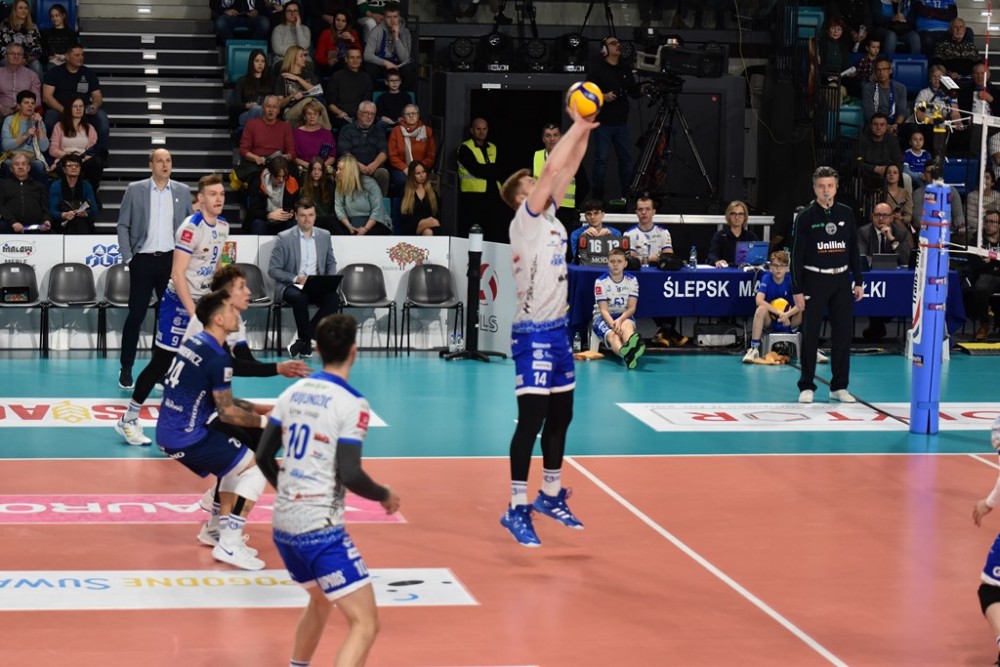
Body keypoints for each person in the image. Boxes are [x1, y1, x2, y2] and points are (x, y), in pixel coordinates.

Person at [257, 313, 401, 667]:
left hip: (283, 525)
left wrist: (286, 492)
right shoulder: (352, 403)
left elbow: (262, 456)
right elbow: (350, 473)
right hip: (319, 530)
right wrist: (384, 495)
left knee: (320, 600)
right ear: (354, 351)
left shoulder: (292, 392)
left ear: (318, 350)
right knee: (365, 624)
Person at [496, 106, 597, 547]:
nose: (539, 185)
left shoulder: (552, 219)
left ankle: (550, 495)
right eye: (530, 185)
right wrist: (576, 124)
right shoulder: (525, 222)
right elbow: (554, 167)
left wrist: (587, 131)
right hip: (532, 333)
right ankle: (516, 507)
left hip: (557, 331)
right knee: (531, 420)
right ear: (521, 198)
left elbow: (566, 169)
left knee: (562, 416)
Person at [184, 264, 311, 548]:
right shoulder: (206, 322)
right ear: (225, 294)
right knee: (255, 450)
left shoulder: (235, 320)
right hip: (199, 413)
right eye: (242, 286)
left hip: (213, 403)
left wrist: (278, 370)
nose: (249, 291)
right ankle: (223, 521)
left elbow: (245, 362)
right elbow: (231, 364)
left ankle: (216, 517)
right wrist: (277, 370)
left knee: (255, 445)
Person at [155, 289, 269, 571]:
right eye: (231, 309)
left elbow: (215, 398)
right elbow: (227, 411)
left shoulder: (195, 343)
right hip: (189, 436)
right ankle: (230, 543)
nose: (237, 313)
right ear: (218, 319)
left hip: (172, 430)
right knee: (256, 469)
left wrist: (257, 408)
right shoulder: (218, 358)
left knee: (234, 466)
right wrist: (268, 423)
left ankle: (216, 530)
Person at [115, 174, 227, 445]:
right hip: (179, 303)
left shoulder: (223, 226)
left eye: (222, 194)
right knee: (161, 363)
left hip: (204, 302)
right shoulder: (190, 228)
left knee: (208, 361)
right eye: (213, 194)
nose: (219, 198)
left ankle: (201, 419)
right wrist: (194, 313)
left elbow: (216, 265)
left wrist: (224, 294)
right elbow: (177, 274)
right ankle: (128, 418)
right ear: (200, 199)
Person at [115, 149, 192, 391]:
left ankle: (161, 370)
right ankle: (126, 367)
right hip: (142, 261)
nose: (165, 164)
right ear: (151, 164)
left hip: (171, 262)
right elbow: (122, 225)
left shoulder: (182, 191)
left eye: (168, 160)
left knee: (166, 319)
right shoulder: (135, 189)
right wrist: (129, 258)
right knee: (136, 315)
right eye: (160, 161)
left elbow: (190, 227)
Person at [790, 166, 864, 404]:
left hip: (841, 279)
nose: (826, 190)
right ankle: (806, 385)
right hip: (814, 279)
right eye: (821, 186)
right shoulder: (805, 217)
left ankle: (839, 386)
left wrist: (859, 280)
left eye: (830, 185)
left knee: (843, 334)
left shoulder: (846, 213)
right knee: (810, 334)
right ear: (814, 188)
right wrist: (797, 289)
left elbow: (853, 249)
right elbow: (796, 255)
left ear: (836, 187)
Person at [268, 198, 340, 359]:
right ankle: (306, 342)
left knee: (333, 298)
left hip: (316, 284)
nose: (307, 219)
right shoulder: (284, 237)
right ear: (296, 216)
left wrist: (329, 280)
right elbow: (273, 270)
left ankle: (304, 341)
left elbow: (331, 262)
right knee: (300, 297)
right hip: (291, 286)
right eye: (303, 215)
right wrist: (296, 278)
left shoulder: (324, 235)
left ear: (315, 216)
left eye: (310, 215)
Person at [624, 196, 686, 347]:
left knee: (672, 292)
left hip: (661, 277)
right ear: (636, 212)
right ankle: (670, 333)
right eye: (640, 209)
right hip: (638, 278)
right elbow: (630, 260)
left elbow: (669, 256)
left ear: (653, 212)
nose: (644, 212)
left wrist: (643, 258)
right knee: (648, 292)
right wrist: (655, 257)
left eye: (647, 209)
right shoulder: (629, 234)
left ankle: (665, 332)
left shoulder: (663, 232)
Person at [586, 35, 637, 204]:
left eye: (618, 43)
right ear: (605, 49)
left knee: (626, 161)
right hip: (603, 123)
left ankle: (627, 197)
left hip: (621, 122)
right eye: (613, 43)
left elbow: (633, 92)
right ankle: (597, 198)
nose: (618, 45)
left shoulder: (625, 69)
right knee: (601, 161)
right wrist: (603, 96)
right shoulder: (597, 70)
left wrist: (644, 88)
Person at [41, 44, 108, 155]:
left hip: (83, 110)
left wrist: (94, 106)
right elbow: (46, 97)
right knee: (50, 117)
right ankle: (49, 155)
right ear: (67, 57)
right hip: (61, 110)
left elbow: (97, 96)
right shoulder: (54, 72)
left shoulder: (88, 73)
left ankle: (100, 155)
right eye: (77, 55)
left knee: (101, 116)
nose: (81, 58)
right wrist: (65, 111)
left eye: (82, 55)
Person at [743, 249, 807, 363]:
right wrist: (780, 313)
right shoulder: (766, 278)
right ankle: (754, 349)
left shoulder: (791, 280)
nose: (778, 269)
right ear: (770, 267)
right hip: (771, 321)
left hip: (790, 321)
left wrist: (787, 315)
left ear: (787, 268)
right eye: (775, 265)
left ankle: (811, 348)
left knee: (806, 307)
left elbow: (800, 304)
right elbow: (759, 300)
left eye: (782, 266)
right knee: (760, 309)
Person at [593, 247, 645, 369]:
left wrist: (620, 320)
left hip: (623, 315)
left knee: (627, 327)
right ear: (608, 263)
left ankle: (630, 349)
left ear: (625, 264)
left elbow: (632, 308)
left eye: (619, 261)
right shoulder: (600, 281)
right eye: (612, 261)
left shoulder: (632, 280)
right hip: (603, 318)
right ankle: (626, 355)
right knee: (614, 335)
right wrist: (613, 324)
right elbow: (603, 310)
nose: (615, 264)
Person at [532, 123, 589, 231]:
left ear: (561, 137)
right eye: (548, 135)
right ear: (543, 139)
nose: (552, 139)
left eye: (555, 135)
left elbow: (584, 185)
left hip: (565, 211)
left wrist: (575, 206)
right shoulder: (536, 156)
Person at [457, 117, 506, 241]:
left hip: (494, 194)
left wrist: (488, 169)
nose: (482, 132)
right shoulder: (465, 148)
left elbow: (501, 169)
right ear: (472, 130)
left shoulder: (493, 147)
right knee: (472, 231)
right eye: (478, 129)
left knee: (494, 231)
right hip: (473, 196)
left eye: (484, 129)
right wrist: (491, 169)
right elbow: (477, 169)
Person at [337, 99, 389, 196]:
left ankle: (380, 203)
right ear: (359, 114)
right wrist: (358, 166)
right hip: (353, 166)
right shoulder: (347, 130)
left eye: (372, 114)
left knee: (383, 173)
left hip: (374, 168)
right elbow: (344, 152)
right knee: (345, 170)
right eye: (366, 113)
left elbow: (384, 152)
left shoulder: (378, 131)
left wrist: (374, 165)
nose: (369, 117)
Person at [333, 153, 391, 235]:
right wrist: (349, 226)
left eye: (340, 169)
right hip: (352, 223)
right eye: (337, 169)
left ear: (349, 170)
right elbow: (339, 210)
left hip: (374, 223)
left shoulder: (369, 184)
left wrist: (365, 229)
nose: (337, 172)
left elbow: (377, 210)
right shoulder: (340, 186)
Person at [362, 2, 415, 91]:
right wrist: (386, 63)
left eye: (395, 17)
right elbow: (367, 55)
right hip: (382, 65)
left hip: (398, 65)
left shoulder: (405, 32)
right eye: (389, 17)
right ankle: (374, 97)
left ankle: (403, 97)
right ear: (384, 18)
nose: (392, 20)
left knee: (409, 69)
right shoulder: (376, 31)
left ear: (399, 17)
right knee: (369, 68)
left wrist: (396, 38)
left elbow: (404, 59)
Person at [275, 45, 327, 130]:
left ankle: (325, 133)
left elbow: (317, 91)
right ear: (293, 58)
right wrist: (291, 96)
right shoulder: (282, 77)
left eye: (305, 56)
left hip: (310, 110)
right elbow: (280, 103)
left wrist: (297, 78)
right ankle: (327, 131)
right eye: (301, 56)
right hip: (290, 110)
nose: (304, 58)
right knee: (311, 102)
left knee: (315, 106)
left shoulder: (309, 74)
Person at [1, 89, 48, 183]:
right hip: (12, 156)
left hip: (31, 158)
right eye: (26, 103)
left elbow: (44, 147)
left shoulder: (39, 122)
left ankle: (41, 192)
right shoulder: (9, 120)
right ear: (19, 105)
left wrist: (38, 125)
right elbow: (5, 145)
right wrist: (26, 135)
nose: (30, 105)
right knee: (8, 165)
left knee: (38, 166)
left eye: (32, 103)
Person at [387, 103, 435, 196]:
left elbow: (431, 155)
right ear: (403, 117)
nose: (411, 116)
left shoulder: (427, 131)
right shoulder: (396, 131)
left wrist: (419, 168)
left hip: (422, 168)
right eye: (408, 114)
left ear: (418, 115)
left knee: (423, 182)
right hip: (401, 169)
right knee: (403, 181)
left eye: (414, 113)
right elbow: (392, 155)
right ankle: (403, 204)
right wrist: (406, 168)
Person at [246, 155, 300, 235]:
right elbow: (253, 211)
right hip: (265, 220)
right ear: (271, 173)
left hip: (283, 222)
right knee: (258, 225)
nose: (281, 180)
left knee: (294, 225)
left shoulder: (291, 182)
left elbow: (296, 206)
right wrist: (269, 215)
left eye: (284, 176)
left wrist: (290, 213)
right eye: (278, 176)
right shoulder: (258, 182)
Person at [324, 47, 373, 132]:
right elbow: (330, 104)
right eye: (352, 57)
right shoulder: (336, 77)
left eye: (358, 57)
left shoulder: (366, 77)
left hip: (360, 115)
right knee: (348, 127)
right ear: (346, 59)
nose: (355, 60)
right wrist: (340, 112)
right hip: (340, 116)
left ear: (361, 60)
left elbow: (367, 102)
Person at [0, 152, 50, 233]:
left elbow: (46, 208)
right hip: (9, 225)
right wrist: (13, 222)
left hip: (35, 227)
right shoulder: (3, 185)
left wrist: (46, 220)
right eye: (17, 164)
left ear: (28, 168)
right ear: (11, 169)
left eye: (23, 164)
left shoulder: (39, 186)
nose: (20, 167)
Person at [969, 210, 1000, 341]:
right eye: (986, 221)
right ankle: (984, 324)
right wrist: (995, 264)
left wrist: (990, 261)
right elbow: (975, 264)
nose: (988, 225)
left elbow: (986, 263)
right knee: (980, 287)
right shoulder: (977, 239)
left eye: (992, 222)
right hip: (986, 277)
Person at [49, 152, 97, 234]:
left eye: (77, 165)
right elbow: (52, 211)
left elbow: (94, 210)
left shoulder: (86, 186)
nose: (74, 167)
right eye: (69, 165)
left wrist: (85, 213)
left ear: (80, 168)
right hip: (62, 223)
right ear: (64, 169)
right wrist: (64, 215)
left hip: (82, 222)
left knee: (78, 221)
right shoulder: (56, 186)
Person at [231, 49, 272, 137]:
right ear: (251, 63)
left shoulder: (270, 81)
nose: (260, 64)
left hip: (266, 113)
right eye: (257, 61)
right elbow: (235, 104)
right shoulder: (242, 80)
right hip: (246, 114)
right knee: (257, 109)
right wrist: (248, 105)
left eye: (263, 61)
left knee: (262, 110)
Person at [707, 200, 759, 267]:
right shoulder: (720, 236)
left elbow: (757, 257)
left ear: (745, 216)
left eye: (740, 214)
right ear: (728, 216)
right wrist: (717, 261)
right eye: (733, 214)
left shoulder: (751, 236)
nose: (737, 217)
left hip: (746, 272)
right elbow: (712, 255)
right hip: (726, 272)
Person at [569, 198, 621, 263]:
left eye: (596, 213)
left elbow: (620, 259)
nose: (592, 217)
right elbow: (576, 259)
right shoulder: (576, 234)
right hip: (585, 267)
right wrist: (582, 238)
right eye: (589, 214)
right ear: (585, 216)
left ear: (602, 214)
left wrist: (611, 238)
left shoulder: (615, 233)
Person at [861, 57, 907, 131]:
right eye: (878, 70)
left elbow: (902, 112)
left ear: (890, 70)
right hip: (876, 126)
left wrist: (895, 126)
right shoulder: (868, 88)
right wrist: (886, 127)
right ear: (875, 72)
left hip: (895, 127)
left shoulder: (901, 88)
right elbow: (870, 114)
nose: (881, 72)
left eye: (884, 69)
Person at [314, 9, 362, 77]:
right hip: (331, 66)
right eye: (338, 20)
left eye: (343, 21)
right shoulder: (326, 33)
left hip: (350, 64)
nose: (340, 23)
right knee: (342, 64)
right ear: (334, 20)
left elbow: (359, 53)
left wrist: (352, 40)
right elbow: (318, 57)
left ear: (347, 22)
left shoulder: (352, 33)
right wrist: (328, 61)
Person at [0, 0, 42, 76]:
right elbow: (2, 48)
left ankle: (37, 84)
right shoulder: (5, 25)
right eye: (20, 8)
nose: (24, 11)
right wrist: (15, 59)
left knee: (36, 65)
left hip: (28, 59)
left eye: (26, 8)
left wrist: (26, 60)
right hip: (9, 58)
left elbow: (38, 48)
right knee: (6, 63)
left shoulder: (33, 27)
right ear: (15, 10)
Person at [399, 160, 440, 236]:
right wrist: (424, 222)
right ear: (412, 176)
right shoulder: (406, 192)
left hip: (430, 226)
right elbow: (404, 217)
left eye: (423, 172)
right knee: (432, 223)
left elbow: (437, 214)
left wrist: (427, 223)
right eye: (418, 173)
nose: (422, 175)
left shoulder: (433, 193)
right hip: (411, 226)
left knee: (428, 232)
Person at [292, 99, 335, 171]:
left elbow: (332, 156)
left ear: (319, 116)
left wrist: (320, 167)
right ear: (304, 116)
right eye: (309, 113)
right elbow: (293, 156)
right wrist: (309, 166)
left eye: (315, 113)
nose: (312, 116)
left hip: (322, 170)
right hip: (303, 169)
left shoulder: (327, 134)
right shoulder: (296, 133)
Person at [0, 42, 39, 119]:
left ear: (23, 57)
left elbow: (37, 100)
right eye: (12, 54)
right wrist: (1, 108)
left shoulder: (32, 75)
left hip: (24, 112)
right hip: (2, 112)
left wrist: (23, 107)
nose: (16, 56)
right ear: (6, 56)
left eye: (19, 54)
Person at [301, 156, 337, 231]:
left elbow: (332, 210)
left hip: (326, 222)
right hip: (310, 221)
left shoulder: (329, 187)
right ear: (310, 170)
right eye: (314, 169)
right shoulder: (304, 188)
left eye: (320, 169)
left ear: (323, 171)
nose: (316, 172)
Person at [40, 3, 78, 70]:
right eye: (52, 16)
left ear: (63, 15)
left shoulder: (71, 33)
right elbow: (42, 52)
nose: (54, 18)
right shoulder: (46, 33)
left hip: (67, 61)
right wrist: (49, 57)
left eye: (57, 15)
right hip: (52, 62)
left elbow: (75, 50)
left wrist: (66, 56)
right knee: (52, 68)